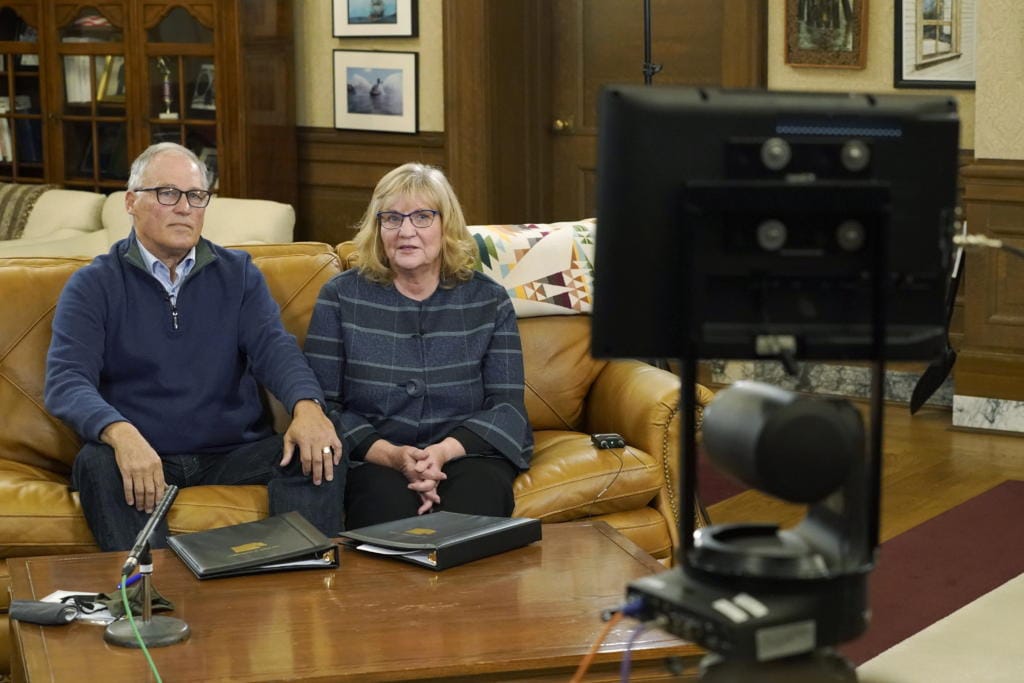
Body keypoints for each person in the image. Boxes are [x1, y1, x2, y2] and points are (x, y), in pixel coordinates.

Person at [45, 142, 344, 551]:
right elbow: (66, 381)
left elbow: (275, 349)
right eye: (168, 193)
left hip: (233, 452)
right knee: (97, 463)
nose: (185, 207)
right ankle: (155, 602)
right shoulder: (94, 285)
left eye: (196, 196)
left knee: (324, 445)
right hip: (142, 451)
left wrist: (308, 406)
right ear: (131, 202)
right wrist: (121, 434)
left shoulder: (238, 275)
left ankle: (298, 582)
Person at [304, 163, 532, 529]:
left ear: (447, 226)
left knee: (475, 513)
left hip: (467, 453)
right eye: (392, 218)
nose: (406, 231)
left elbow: (507, 407)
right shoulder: (341, 297)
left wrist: (442, 452)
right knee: (383, 512)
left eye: (423, 217)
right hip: (375, 457)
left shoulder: (488, 300)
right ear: (378, 229)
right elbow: (323, 408)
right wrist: (392, 455)